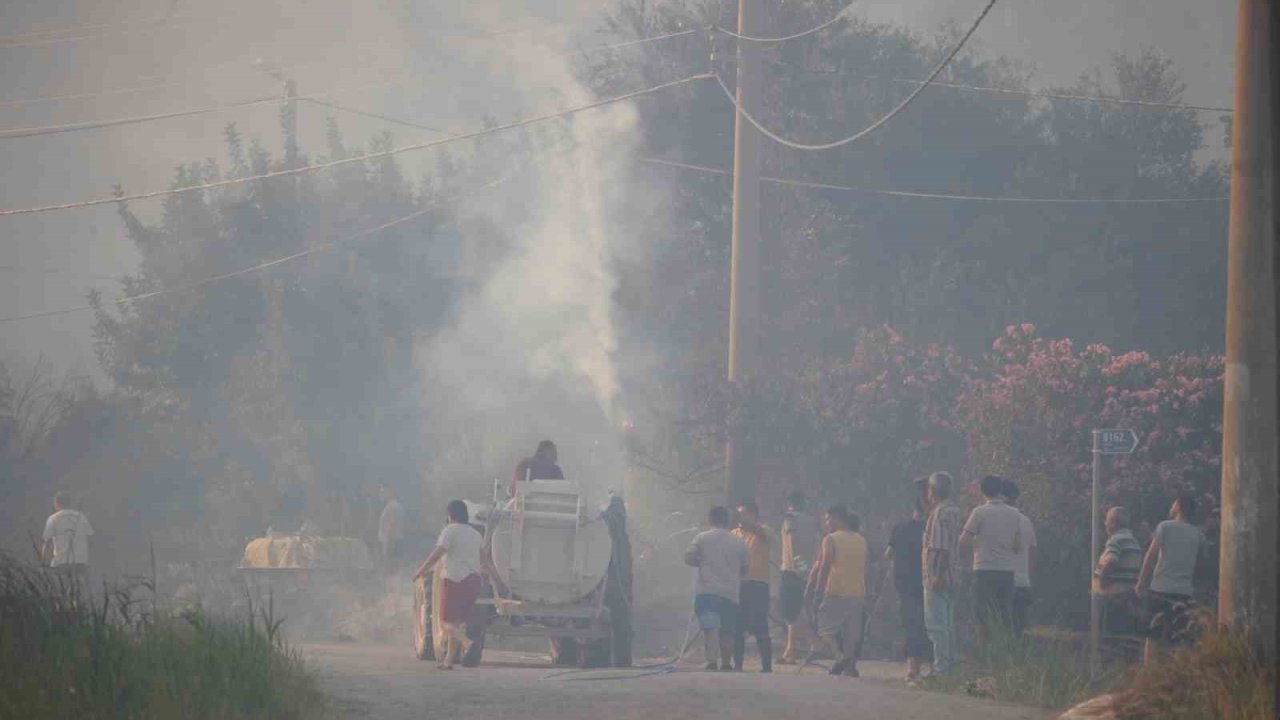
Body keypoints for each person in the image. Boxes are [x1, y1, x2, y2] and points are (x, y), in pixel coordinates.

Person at [414, 500, 484, 670]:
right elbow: (485, 559)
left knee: (445, 622)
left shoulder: (450, 531)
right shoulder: (476, 534)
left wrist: (420, 571)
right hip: (474, 581)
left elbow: (436, 555)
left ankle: (468, 643)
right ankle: (448, 661)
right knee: (456, 622)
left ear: (450, 515)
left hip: (455, 580)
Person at [1135, 493, 1203, 664]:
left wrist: (1141, 583)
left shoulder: (1165, 526)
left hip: (1160, 588)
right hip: (1183, 592)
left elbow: (1151, 557)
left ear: (1178, 505)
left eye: (1173, 503)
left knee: (1153, 635)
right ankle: (1176, 674)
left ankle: (1149, 674)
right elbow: (1199, 566)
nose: (1171, 506)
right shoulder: (1198, 534)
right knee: (1180, 636)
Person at [805, 504, 870, 678]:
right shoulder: (861, 540)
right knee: (851, 634)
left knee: (824, 629)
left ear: (838, 518)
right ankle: (850, 668)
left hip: (835, 591)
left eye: (828, 519)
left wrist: (818, 592)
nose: (827, 523)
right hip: (857, 593)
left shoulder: (831, 539)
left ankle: (839, 657)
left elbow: (825, 566)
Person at [685, 506, 749, 671]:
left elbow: (689, 556)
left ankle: (712, 661)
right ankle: (727, 663)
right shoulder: (739, 541)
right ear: (727, 521)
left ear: (710, 520)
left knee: (710, 627)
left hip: (707, 591)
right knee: (727, 630)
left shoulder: (702, 538)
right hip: (730, 593)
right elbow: (744, 569)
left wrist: (700, 563)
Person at [960, 475, 1023, 642]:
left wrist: (978, 545)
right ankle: (1001, 658)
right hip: (1006, 572)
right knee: (1004, 617)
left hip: (984, 570)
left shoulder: (979, 512)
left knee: (982, 617)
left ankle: (984, 655)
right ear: (1000, 490)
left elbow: (963, 541)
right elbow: (1018, 546)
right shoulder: (1015, 514)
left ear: (982, 491)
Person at [886, 478, 931, 681]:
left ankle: (912, 669)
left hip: (905, 584)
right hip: (929, 582)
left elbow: (888, 554)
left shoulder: (900, 528)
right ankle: (925, 668)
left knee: (911, 624)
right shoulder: (930, 529)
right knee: (927, 625)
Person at [922, 471, 963, 677]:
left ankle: (941, 671)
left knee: (936, 626)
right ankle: (950, 667)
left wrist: (936, 576)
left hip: (939, 576)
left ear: (932, 490)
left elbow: (939, 548)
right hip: (955, 573)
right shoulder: (955, 510)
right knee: (948, 624)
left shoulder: (938, 513)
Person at [1094, 506, 1144, 663]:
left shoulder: (1116, 539)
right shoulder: (1133, 541)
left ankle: (1107, 672)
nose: (1105, 524)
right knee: (1125, 639)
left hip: (1115, 595)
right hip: (1128, 594)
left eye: (1107, 521)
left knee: (1110, 638)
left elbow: (1111, 560)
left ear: (1113, 524)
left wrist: (1101, 581)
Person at [778, 490, 821, 664]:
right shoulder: (813, 521)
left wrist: (799, 566)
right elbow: (818, 544)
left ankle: (815, 642)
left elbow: (792, 543)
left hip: (792, 570)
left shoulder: (790, 518)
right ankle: (790, 651)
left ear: (789, 503)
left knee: (789, 610)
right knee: (798, 609)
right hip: (810, 569)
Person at [731, 502, 773, 673]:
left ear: (754, 514)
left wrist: (750, 524)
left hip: (758, 584)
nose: (740, 517)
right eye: (738, 514)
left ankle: (767, 667)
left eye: (744, 513)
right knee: (738, 626)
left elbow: (763, 535)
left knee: (760, 624)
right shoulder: (733, 534)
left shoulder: (764, 530)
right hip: (737, 584)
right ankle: (738, 666)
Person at [42, 491, 93, 594]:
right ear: (69, 503)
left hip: (61, 563)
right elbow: (90, 539)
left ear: (56, 503)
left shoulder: (53, 519)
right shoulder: (81, 517)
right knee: (79, 592)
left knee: (60, 592)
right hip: (80, 562)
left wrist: (43, 563)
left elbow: (47, 543)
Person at [1003, 479, 1036, 637]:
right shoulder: (1026, 520)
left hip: (1001, 580)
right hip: (1022, 581)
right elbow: (1032, 553)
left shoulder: (993, 518)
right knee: (1018, 629)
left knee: (999, 627)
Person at [378, 486, 407, 576]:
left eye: (383, 492)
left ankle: (390, 588)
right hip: (398, 539)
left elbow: (390, 525)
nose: (381, 494)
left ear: (390, 493)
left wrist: (386, 544)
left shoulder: (391, 507)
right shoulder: (398, 506)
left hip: (391, 541)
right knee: (396, 569)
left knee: (390, 569)